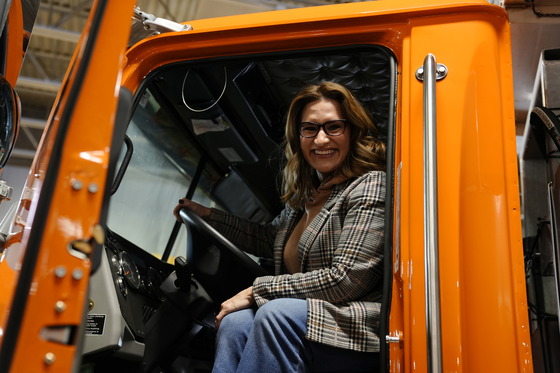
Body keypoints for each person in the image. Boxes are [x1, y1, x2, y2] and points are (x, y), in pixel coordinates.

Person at [173, 81, 386, 373]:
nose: (320, 140)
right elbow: (266, 238)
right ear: (298, 137)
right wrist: (208, 215)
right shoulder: (306, 197)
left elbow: (346, 279)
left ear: (352, 131)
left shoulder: (370, 184)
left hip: (350, 323)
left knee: (276, 313)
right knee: (235, 323)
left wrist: (255, 291)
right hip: (301, 316)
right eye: (309, 129)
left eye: (333, 127)